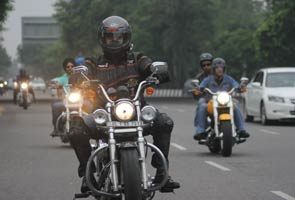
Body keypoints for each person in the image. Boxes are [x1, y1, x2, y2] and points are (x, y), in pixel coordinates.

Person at [68, 16, 180, 194]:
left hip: (137, 111)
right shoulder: (95, 63)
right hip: (103, 114)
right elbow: (84, 69)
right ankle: (88, 173)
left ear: (126, 38)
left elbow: (149, 66)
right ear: (102, 39)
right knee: (75, 130)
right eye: (110, 37)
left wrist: (155, 71)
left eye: (119, 37)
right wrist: (79, 74)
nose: (115, 41)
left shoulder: (137, 59)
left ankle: (162, 173)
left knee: (164, 122)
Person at [194, 57, 250, 140]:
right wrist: (200, 89)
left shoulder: (228, 79)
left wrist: (240, 87)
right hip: (211, 101)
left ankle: (241, 130)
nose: (219, 69)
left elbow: (236, 85)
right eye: (217, 67)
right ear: (214, 69)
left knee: (236, 104)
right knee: (202, 106)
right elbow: (201, 86)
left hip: (226, 101)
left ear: (224, 69)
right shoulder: (208, 80)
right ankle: (200, 131)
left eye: (221, 67)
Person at [50, 58, 75, 137]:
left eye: (72, 66)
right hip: (66, 100)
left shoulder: (80, 77)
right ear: (65, 68)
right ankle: (56, 128)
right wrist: (55, 85)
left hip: (79, 100)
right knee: (55, 106)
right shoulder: (62, 79)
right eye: (68, 67)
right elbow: (55, 83)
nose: (70, 68)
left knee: (90, 104)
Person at [193, 53, 213, 139]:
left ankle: (239, 129)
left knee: (235, 102)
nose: (206, 66)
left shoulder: (219, 75)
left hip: (220, 99)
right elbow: (196, 93)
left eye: (208, 64)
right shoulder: (199, 78)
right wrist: (197, 92)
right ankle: (200, 130)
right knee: (201, 103)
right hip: (206, 99)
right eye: (204, 65)